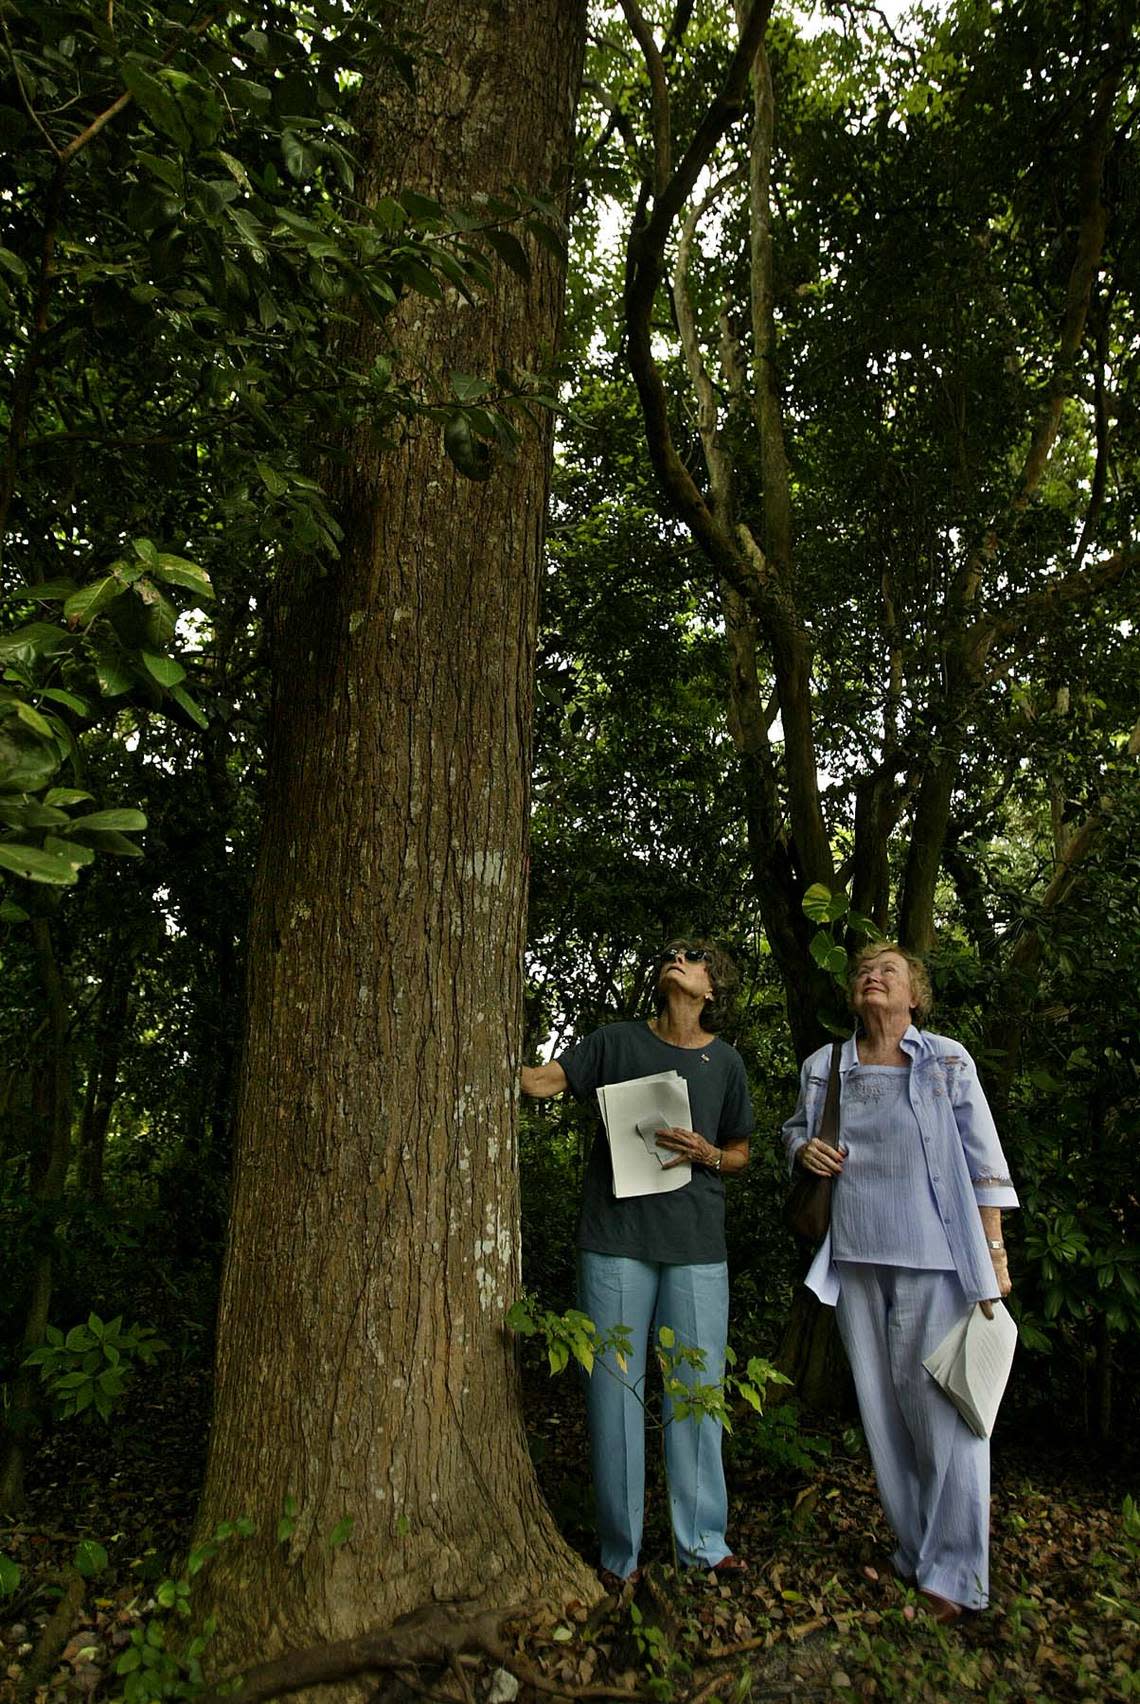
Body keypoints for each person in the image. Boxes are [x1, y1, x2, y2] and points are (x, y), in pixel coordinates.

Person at [782, 943, 1018, 1622]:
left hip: (938, 1259)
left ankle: (957, 1574)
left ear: (915, 995)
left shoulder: (946, 1058)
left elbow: (984, 1159)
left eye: (890, 969)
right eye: (863, 971)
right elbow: (794, 1134)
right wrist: (803, 1148)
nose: (873, 976)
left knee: (946, 1414)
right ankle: (919, 1556)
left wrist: (994, 1252)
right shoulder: (827, 1066)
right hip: (855, 1258)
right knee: (883, 1417)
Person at [521, 940, 753, 1589]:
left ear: (712, 989)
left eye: (696, 955)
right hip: (614, 1241)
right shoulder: (615, 1042)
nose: (680, 956)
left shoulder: (724, 1062)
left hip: (697, 1247)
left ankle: (703, 1544)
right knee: (614, 1396)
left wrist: (709, 1153)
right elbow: (544, 1082)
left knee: (695, 1392)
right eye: (674, 951)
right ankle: (619, 1555)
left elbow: (741, 1152)